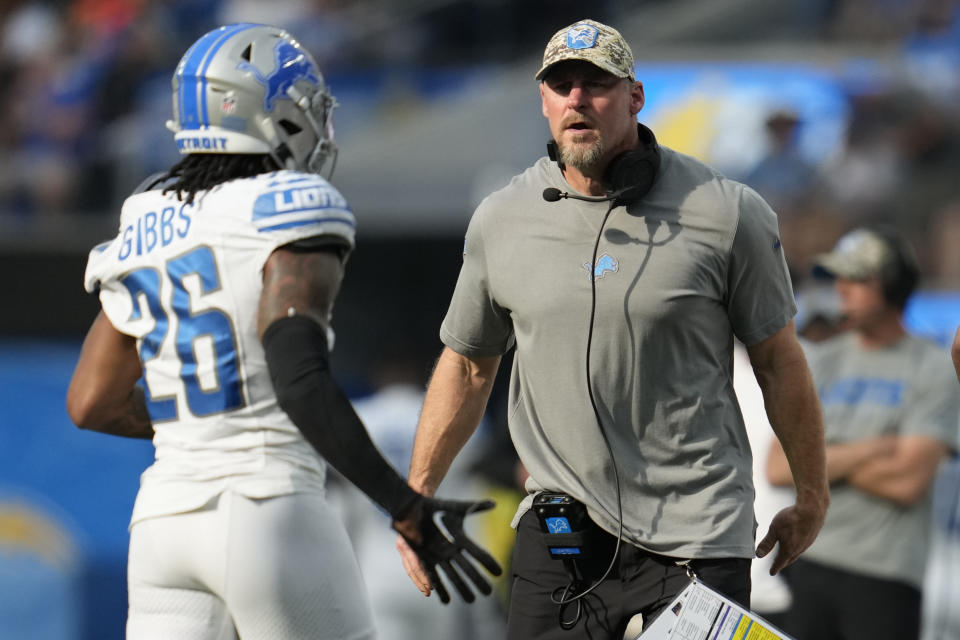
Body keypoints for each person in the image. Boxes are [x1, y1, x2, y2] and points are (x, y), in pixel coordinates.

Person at [396, 18, 829, 639]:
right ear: (543, 101)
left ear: (634, 97)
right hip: (562, 534)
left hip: (699, 532)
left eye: (595, 83)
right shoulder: (500, 220)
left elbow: (779, 360)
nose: (577, 99)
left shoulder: (728, 210)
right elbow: (468, 367)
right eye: (561, 84)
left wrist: (813, 495)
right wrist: (418, 495)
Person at [64, 23, 499, 640]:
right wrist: (403, 507)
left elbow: (91, 400)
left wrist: (205, 424)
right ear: (268, 113)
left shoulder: (146, 217)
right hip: (267, 507)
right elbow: (297, 377)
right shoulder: (289, 203)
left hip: (161, 523)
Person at [767, 227, 959, 639]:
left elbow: (906, 481)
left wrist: (819, 460)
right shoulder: (818, 360)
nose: (843, 289)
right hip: (807, 562)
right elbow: (777, 468)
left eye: (858, 279)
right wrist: (875, 449)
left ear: (893, 287)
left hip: (886, 575)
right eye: (840, 278)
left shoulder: (934, 368)